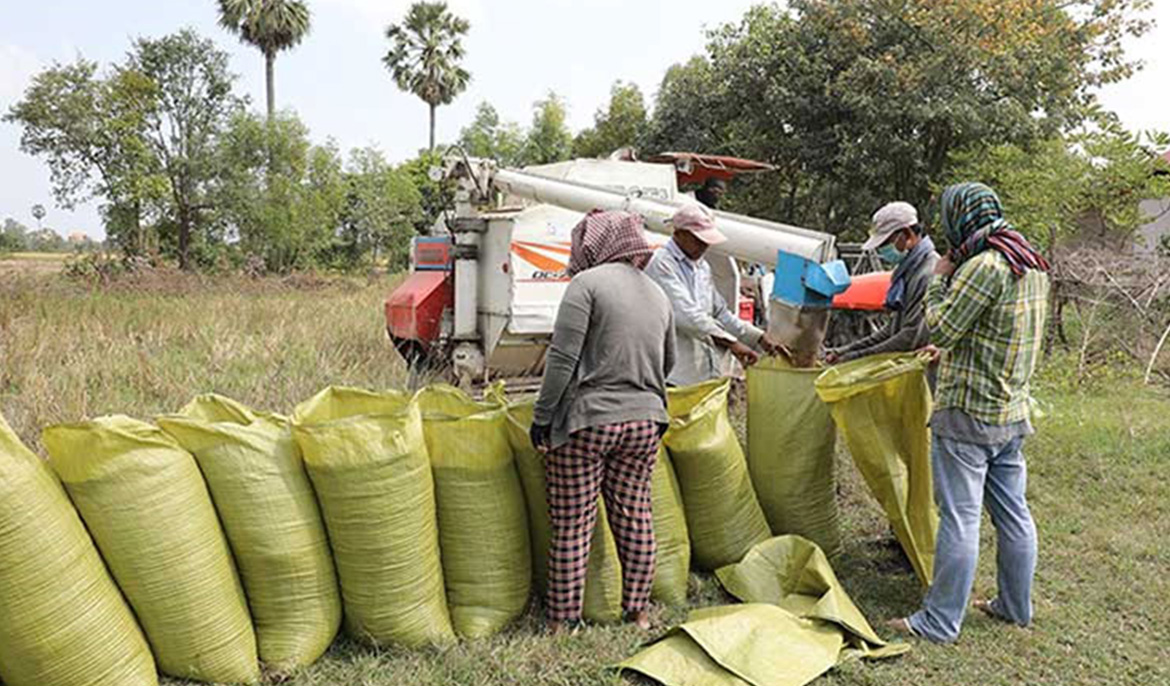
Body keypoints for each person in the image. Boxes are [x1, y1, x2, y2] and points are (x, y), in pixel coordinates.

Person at [888, 182, 1051, 643]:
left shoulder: (983, 266)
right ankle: (1015, 607)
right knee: (1014, 514)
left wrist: (940, 275)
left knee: (960, 517)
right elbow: (999, 333)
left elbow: (940, 324)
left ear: (961, 217)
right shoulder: (1030, 262)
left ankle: (938, 622)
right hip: (1011, 410)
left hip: (968, 415)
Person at [529, 209, 676, 634]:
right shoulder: (657, 293)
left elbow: (562, 359)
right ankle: (639, 613)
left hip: (588, 423)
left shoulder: (586, 285)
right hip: (645, 422)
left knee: (574, 524)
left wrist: (543, 418)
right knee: (635, 517)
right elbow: (669, 362)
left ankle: (564, 621)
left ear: (593, 244)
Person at [644, 204, 785, 386]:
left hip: (700, 372)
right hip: (671, 374)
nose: (704, 246)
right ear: (679, 234)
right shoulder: (661, 264)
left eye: (706, 241)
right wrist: (731, 343)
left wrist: (758, 337)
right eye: (698, 240)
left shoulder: (701, 266)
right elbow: (687, 316)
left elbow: (720, 312)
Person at [825, 202, 940, 364]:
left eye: (885, 243)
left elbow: (910, 338)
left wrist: (855, 358)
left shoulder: (928, 273)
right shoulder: (906, 272)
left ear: (906, 234)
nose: (881, 251)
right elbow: (891, 330)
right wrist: (844, 351)